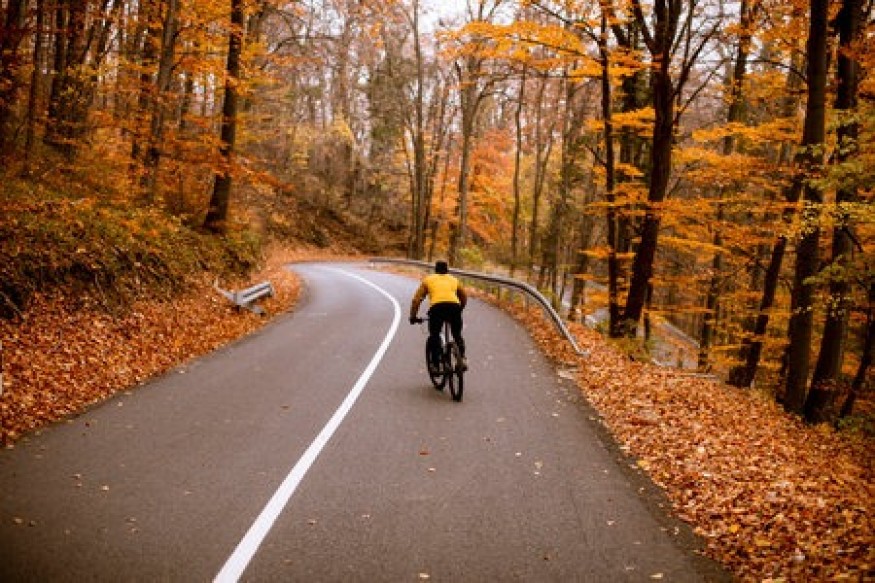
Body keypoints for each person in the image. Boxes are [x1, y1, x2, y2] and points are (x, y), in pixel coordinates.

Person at [409, 260, 467, 372]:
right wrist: (460, 309)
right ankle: (462, 359)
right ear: (447, 270)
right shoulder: (454, 280)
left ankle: (436, 365)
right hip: (454, 308)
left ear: (435, 270)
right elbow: (463, 296)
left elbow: (416, 300)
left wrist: (413, 316)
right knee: (457, 334)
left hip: (437, 309)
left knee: (434, 335)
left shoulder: (428, 280)